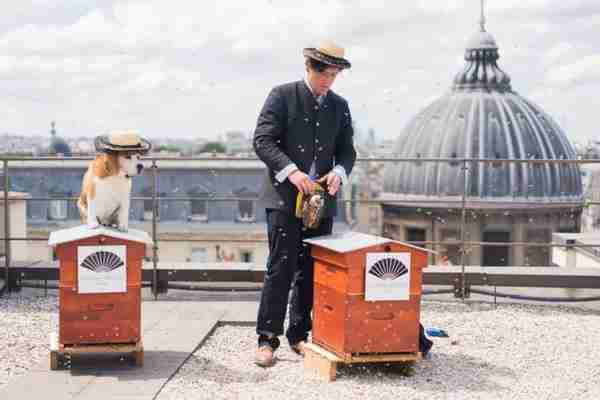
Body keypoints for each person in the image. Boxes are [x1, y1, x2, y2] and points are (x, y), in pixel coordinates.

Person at [252, 41, 356, 367]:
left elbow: (347, 151)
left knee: (311, 269)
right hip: (284, 197)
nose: (329, 81)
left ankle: (299, 334)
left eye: (334, 75)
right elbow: (262, 140)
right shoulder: (281, 95)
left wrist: (339, 171)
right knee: (280, 267)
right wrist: (293, 173)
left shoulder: (340, 106)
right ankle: (267, 339)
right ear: (310, 67)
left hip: (320, 200)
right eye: (325, 74)